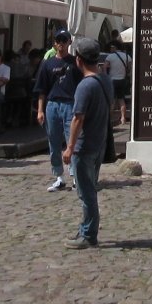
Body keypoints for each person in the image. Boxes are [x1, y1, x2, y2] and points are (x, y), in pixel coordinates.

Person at [61, 36, 113, 249]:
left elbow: (77, 118)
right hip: (99, 143)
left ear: (79, 60)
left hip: (84, 146)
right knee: (90, 188)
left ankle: (88, 234)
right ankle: (86, 228)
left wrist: (70, 147)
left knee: (86, 192)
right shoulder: (105, 81)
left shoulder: (85, 85)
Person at [34, 30, 79, 191]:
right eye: (59, 40)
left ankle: (75, 177)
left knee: (71, 142)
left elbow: (81, 86)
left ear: (69, 42)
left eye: (64, 40)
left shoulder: (75, 63)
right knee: (53, 142)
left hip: (70, 104)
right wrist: (40, 110)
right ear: (54, 43)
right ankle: (59, 177)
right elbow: (42, 89)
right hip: (52, 104)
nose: (61, 43)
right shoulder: (48, 64)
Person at [102, 44, 130, 124]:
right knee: (121, 99)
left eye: (111, 47)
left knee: (112, 100)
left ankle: (109, 119)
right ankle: (123, 118)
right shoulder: (127, 56)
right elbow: (130, 68)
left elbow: (104, 67)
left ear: (115, 48)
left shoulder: (110, 57)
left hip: (112, 80)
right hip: (122, 80)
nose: (110, 49)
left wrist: (106, 77)